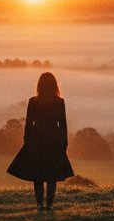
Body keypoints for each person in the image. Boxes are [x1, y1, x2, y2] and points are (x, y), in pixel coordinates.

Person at [7, 72, 75, 211]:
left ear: (39, 85)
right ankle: (49, 204)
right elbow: (62, 124)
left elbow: (28, 124)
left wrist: (27, 141)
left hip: (36, 139)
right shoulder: (59, 102)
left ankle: (39, 204)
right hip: (54, 140)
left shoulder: (33, 101)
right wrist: (64, 143)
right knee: (52, 174)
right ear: (55, 85)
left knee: (37, 174)